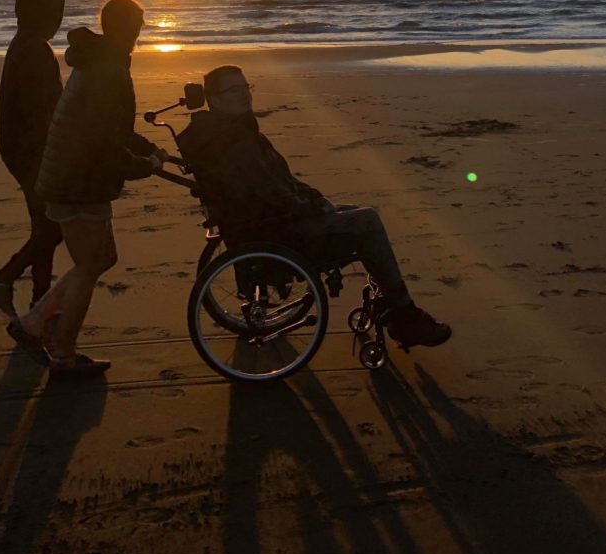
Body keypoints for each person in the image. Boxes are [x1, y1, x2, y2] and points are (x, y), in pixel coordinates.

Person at [176, 65, 452, 349]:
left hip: (263, 223)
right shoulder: (233, 142)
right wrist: (314, 205)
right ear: (216, 99)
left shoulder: (222, 133)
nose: (245, 95)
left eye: (246, 87)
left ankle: (392, 305)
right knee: (367, 221)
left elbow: (276, 183)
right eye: (234, 90)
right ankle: (404, 316)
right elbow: (273, 193)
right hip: (278, 231)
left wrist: (314, 198)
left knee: (354, 213)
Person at [6, 0, 168, 376]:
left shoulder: (98, 61)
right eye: (139, 26)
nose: (141, 33)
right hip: (76, 181)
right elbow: (107, 145)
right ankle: (59, 349)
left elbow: (112, 128)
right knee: (90, 263)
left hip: (70, 176)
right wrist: (147, 165)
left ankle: (34, 324)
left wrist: (149, 148)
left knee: (101, 258)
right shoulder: (109, 71)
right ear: (128, 29)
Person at [0, 0, 65, 318]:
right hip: (32, 152)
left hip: (24, 149)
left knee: (45, 227)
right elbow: (42, 111)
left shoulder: (25, 44)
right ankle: (5, 277)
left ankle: (40, 301)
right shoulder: (32, 50)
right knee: (54, 228)